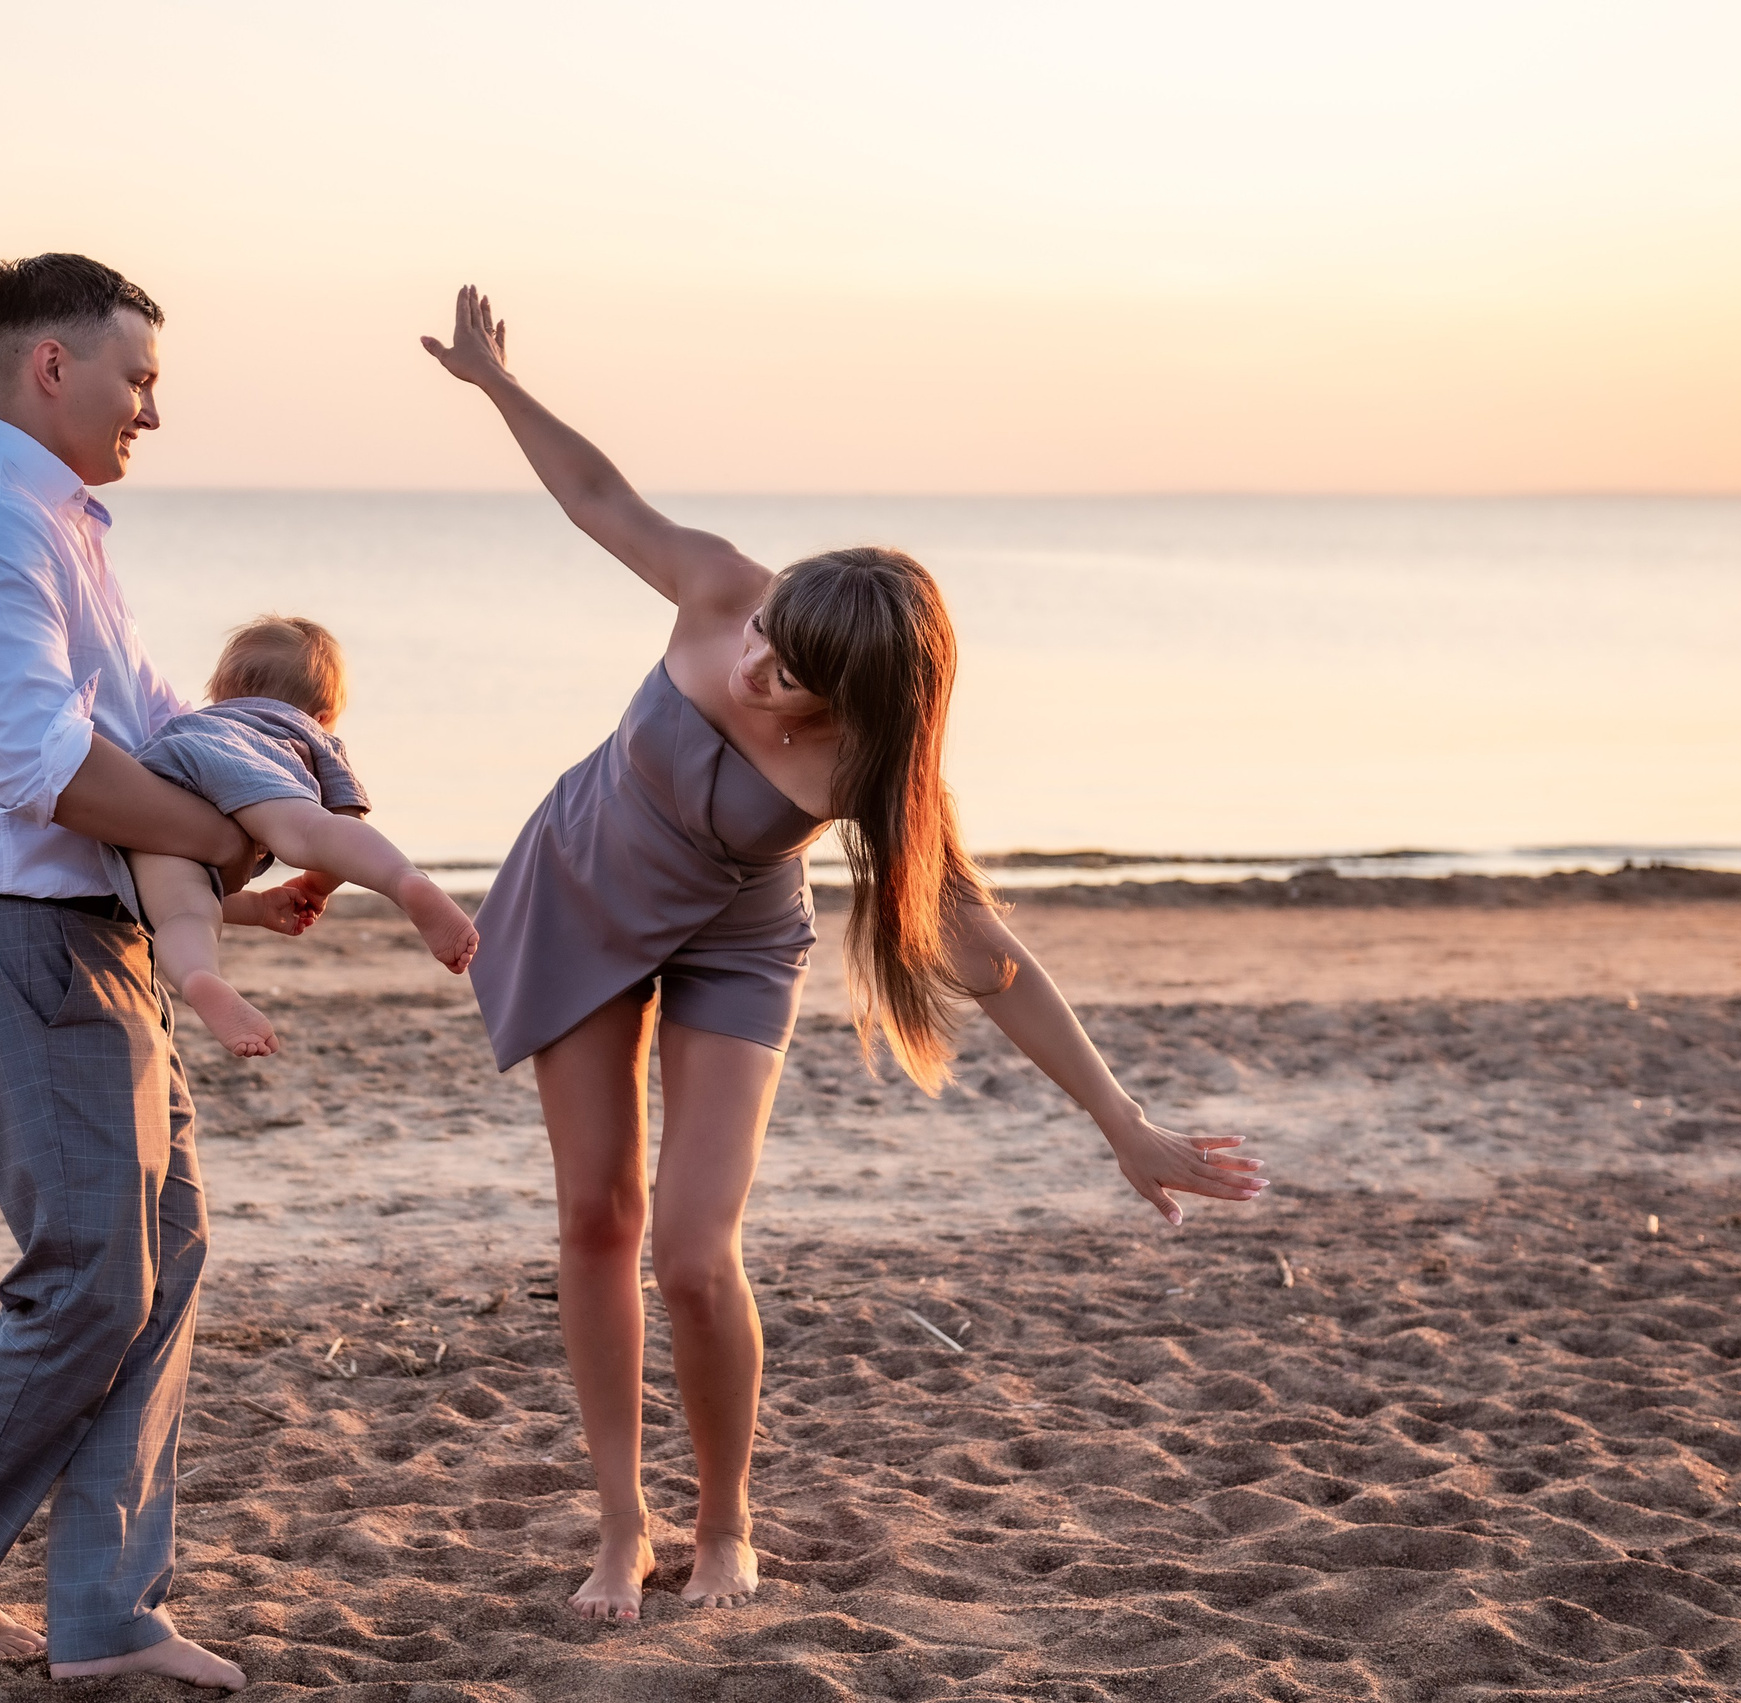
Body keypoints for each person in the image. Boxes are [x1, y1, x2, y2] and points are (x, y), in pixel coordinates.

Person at [422, 286, 1269, 1622]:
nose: (757, 662)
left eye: (792, 667)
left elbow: (982, 951)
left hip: (737, 942)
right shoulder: (724, 591)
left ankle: (725, 1524)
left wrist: (1123, 1118)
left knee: (694, 1249)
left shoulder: (868, 765)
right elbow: (599, 494)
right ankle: (619, 1522)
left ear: (862, 700)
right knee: (598, 1217)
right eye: (768, 634)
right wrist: (497, 386)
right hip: (581, 884)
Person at [0, 252, 298, 1689]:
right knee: (89, 1279)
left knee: (162, 1261)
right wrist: (219, 845)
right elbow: (41, 765)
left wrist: (274, 818)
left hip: (89, 941)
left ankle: (109, 1615)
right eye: (141, 379)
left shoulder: (59, 523)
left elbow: (155, 715)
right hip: (13, 940)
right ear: (52, 364)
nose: (153, 413)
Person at [120, 614, 479, 1057]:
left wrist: (255, 907)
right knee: (308, 832)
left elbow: (209, 882)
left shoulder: (202, 721)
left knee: (178, 911)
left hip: (164, 766)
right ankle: (405, 882)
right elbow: (344, 818)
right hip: (245, 763)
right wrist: (315, 884)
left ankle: (199, 979)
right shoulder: (301, 730)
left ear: (220, 692)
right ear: (323, 715)